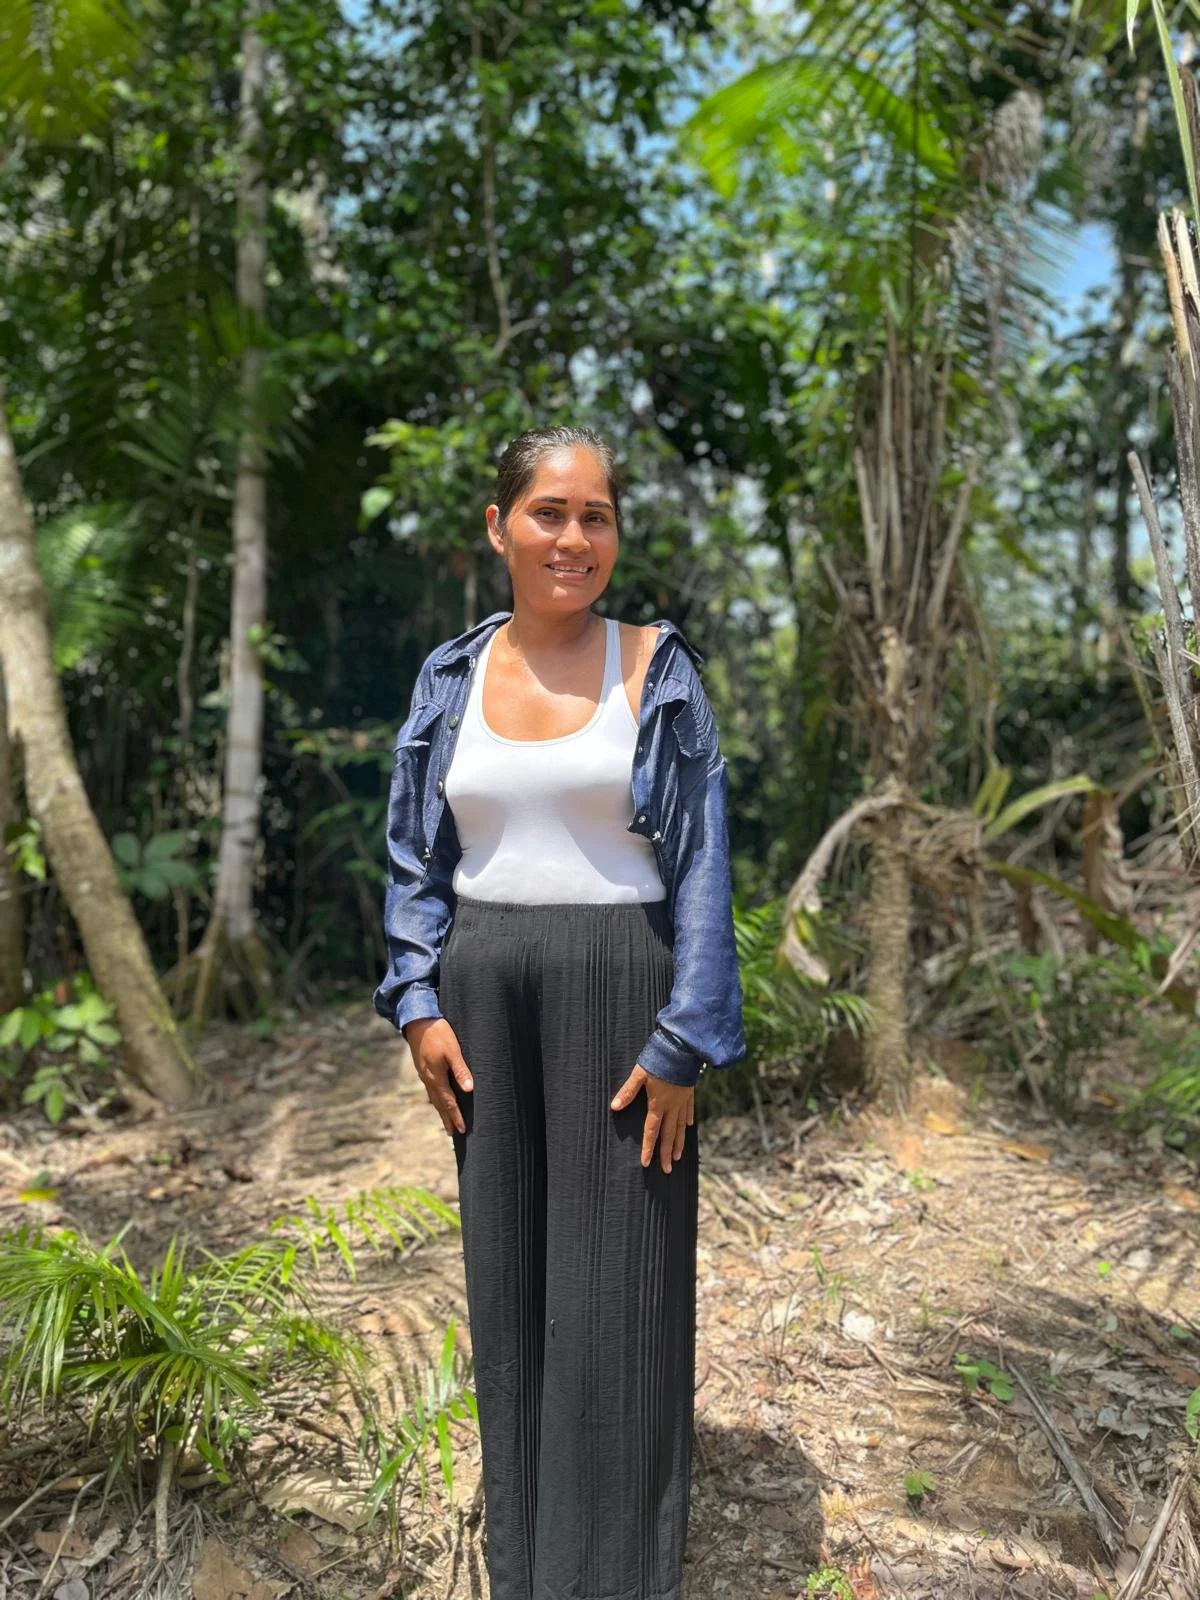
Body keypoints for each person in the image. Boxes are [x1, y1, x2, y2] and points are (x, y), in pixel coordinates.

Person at [373, 424, 745, 1600]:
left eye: (596, 514)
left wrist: (686, 1037)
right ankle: (526, 1566)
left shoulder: (656, 666)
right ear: (498, 527)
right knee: (515, 1282)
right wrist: (418, 999)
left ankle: (619, 1574)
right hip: (483, 996)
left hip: (623, 994)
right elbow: (413, 854)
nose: (573, 536)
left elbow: (700, 865)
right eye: (548, 511)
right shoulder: (451, 677)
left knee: (616, 1292)